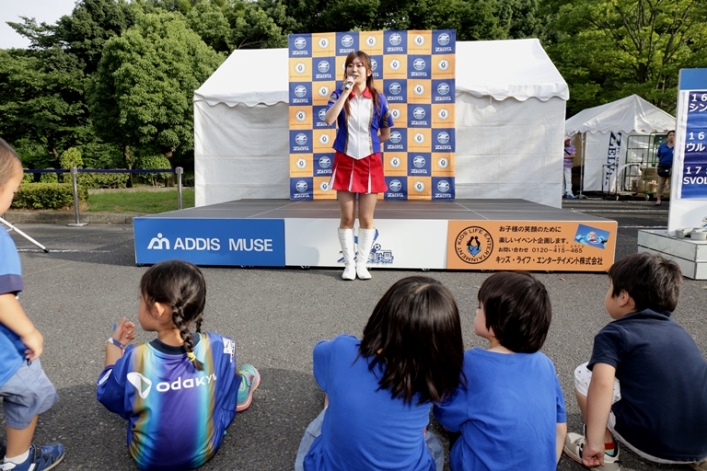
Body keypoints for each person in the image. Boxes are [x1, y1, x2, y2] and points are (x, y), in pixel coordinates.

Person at [97, 260, 261, 471]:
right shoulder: (221, 344)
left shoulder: (136, 357)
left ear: (157, 310)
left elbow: (108, 395)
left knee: (130, 391)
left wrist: (114, 346)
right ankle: (240, 389)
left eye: (141, 299)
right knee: (226, 377)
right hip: (206, 451)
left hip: (147, 459)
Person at [294, 276, 464, 471]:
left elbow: (320, 355)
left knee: (326, 415)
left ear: (380, 316)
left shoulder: (343, 350)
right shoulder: (435, 375)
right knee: (431, 444)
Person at [564, 253, 707, 471]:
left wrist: (593, 441)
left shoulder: (615, 333)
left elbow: (602, 383)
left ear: (623, 297)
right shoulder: (680, 333)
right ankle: (698, 457)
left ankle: (604, 451)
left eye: (610, 287)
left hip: (651, 443)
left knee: (585, 374)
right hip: (701, 442)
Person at [434, 272, 567, 471]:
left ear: (498, 322)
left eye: (480, 307)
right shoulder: (545, 364)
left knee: (444, 438)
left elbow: (446, 418)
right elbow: (560, 425)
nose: (475, 311)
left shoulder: (471, 363)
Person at [0, 138, 65, 471]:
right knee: (29, 395)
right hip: (5, 355)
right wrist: (29, 332)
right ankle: (18, 460)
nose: (14, 197)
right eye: (13, 190)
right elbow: (1, 298)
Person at [325, 50, 394, 281]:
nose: (354, 69)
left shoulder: (378, 99)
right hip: (344, 160)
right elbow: (329, 119)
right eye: (350, 65)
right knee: (347, 218)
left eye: (359, 65)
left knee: (366, 218)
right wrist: (346, 92)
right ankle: (349, 264)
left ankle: (362, 264)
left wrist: (369, 146)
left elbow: (385, 134)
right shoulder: (338, 94)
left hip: (370, 162)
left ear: (369, 71)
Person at [655, 130, 675, 206]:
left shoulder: (677, 146)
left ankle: (672, 200)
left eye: (673, 135)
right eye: (670, 135)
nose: (672, 136)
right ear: (667, 137)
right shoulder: (662, 146)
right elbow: (659, 155)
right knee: (660, 184)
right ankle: (658, 199)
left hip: (673, 167)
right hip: (663, 166)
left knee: (671, 184)